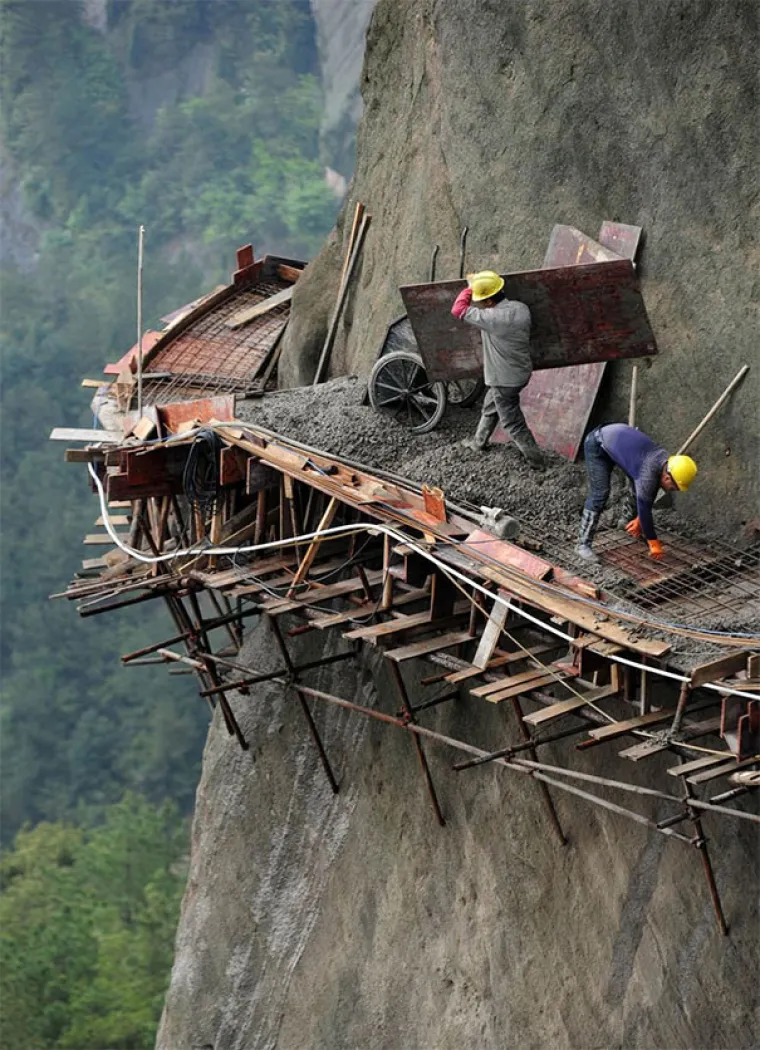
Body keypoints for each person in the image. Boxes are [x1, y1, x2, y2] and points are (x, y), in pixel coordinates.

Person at [451, 270, 545, 470]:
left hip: (505, 380)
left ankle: (537, 462)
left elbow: (458, 309)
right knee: (491, 403)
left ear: (487, 302)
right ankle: (478, 442)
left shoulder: (492, 319)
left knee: (513, 423)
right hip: (520, 372)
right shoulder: (521, 308)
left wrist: (470, 287)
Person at [576, 423, 698, 562]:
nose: (673, 490)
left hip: (616, 440)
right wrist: (653, 543)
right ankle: (582, 545)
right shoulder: (649, 472)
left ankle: (626, 522)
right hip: (598, 444)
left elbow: (649, 492)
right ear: (667, 477)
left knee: (638, 488)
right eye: (674, 487)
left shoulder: (663, 461)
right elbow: (645, 507)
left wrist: (639, 520)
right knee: (600, 493)